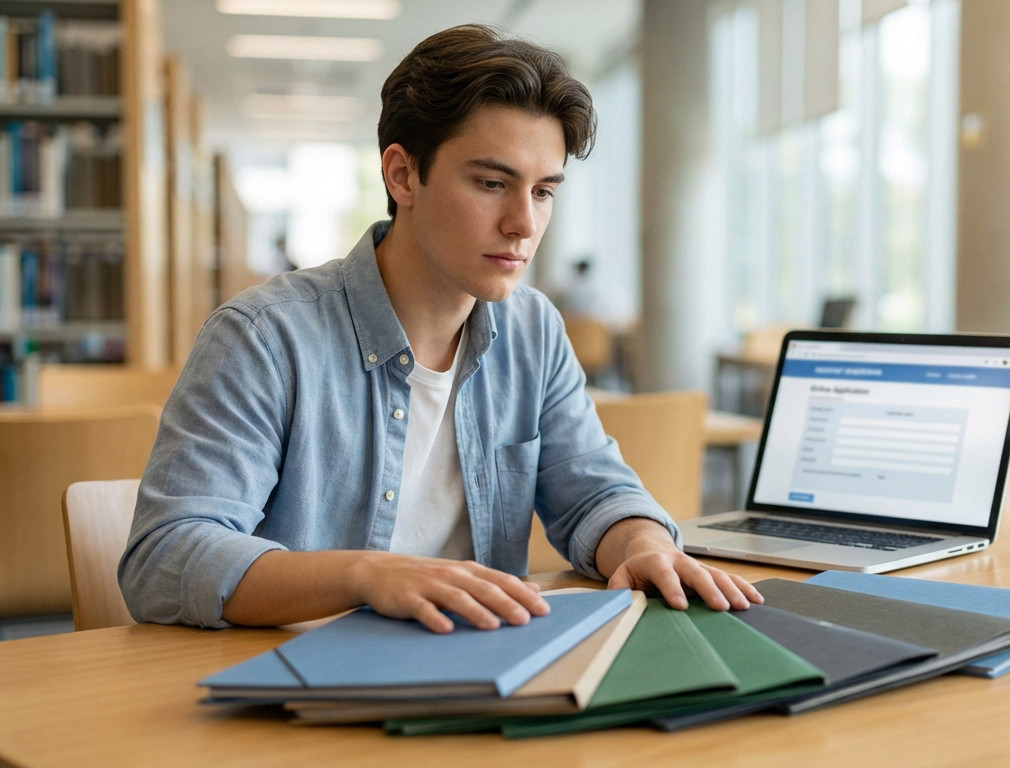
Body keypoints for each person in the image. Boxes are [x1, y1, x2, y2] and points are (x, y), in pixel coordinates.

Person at [119, 24, 761, 634]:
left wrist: (643, 542)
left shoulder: (532, 329)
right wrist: (366, 575)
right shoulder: (263, 337)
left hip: (487, 671)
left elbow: (594, 491)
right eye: (491, 183)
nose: (523, 224)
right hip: (304, 690)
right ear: (402, 176)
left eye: (543, 192)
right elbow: (166, 556)